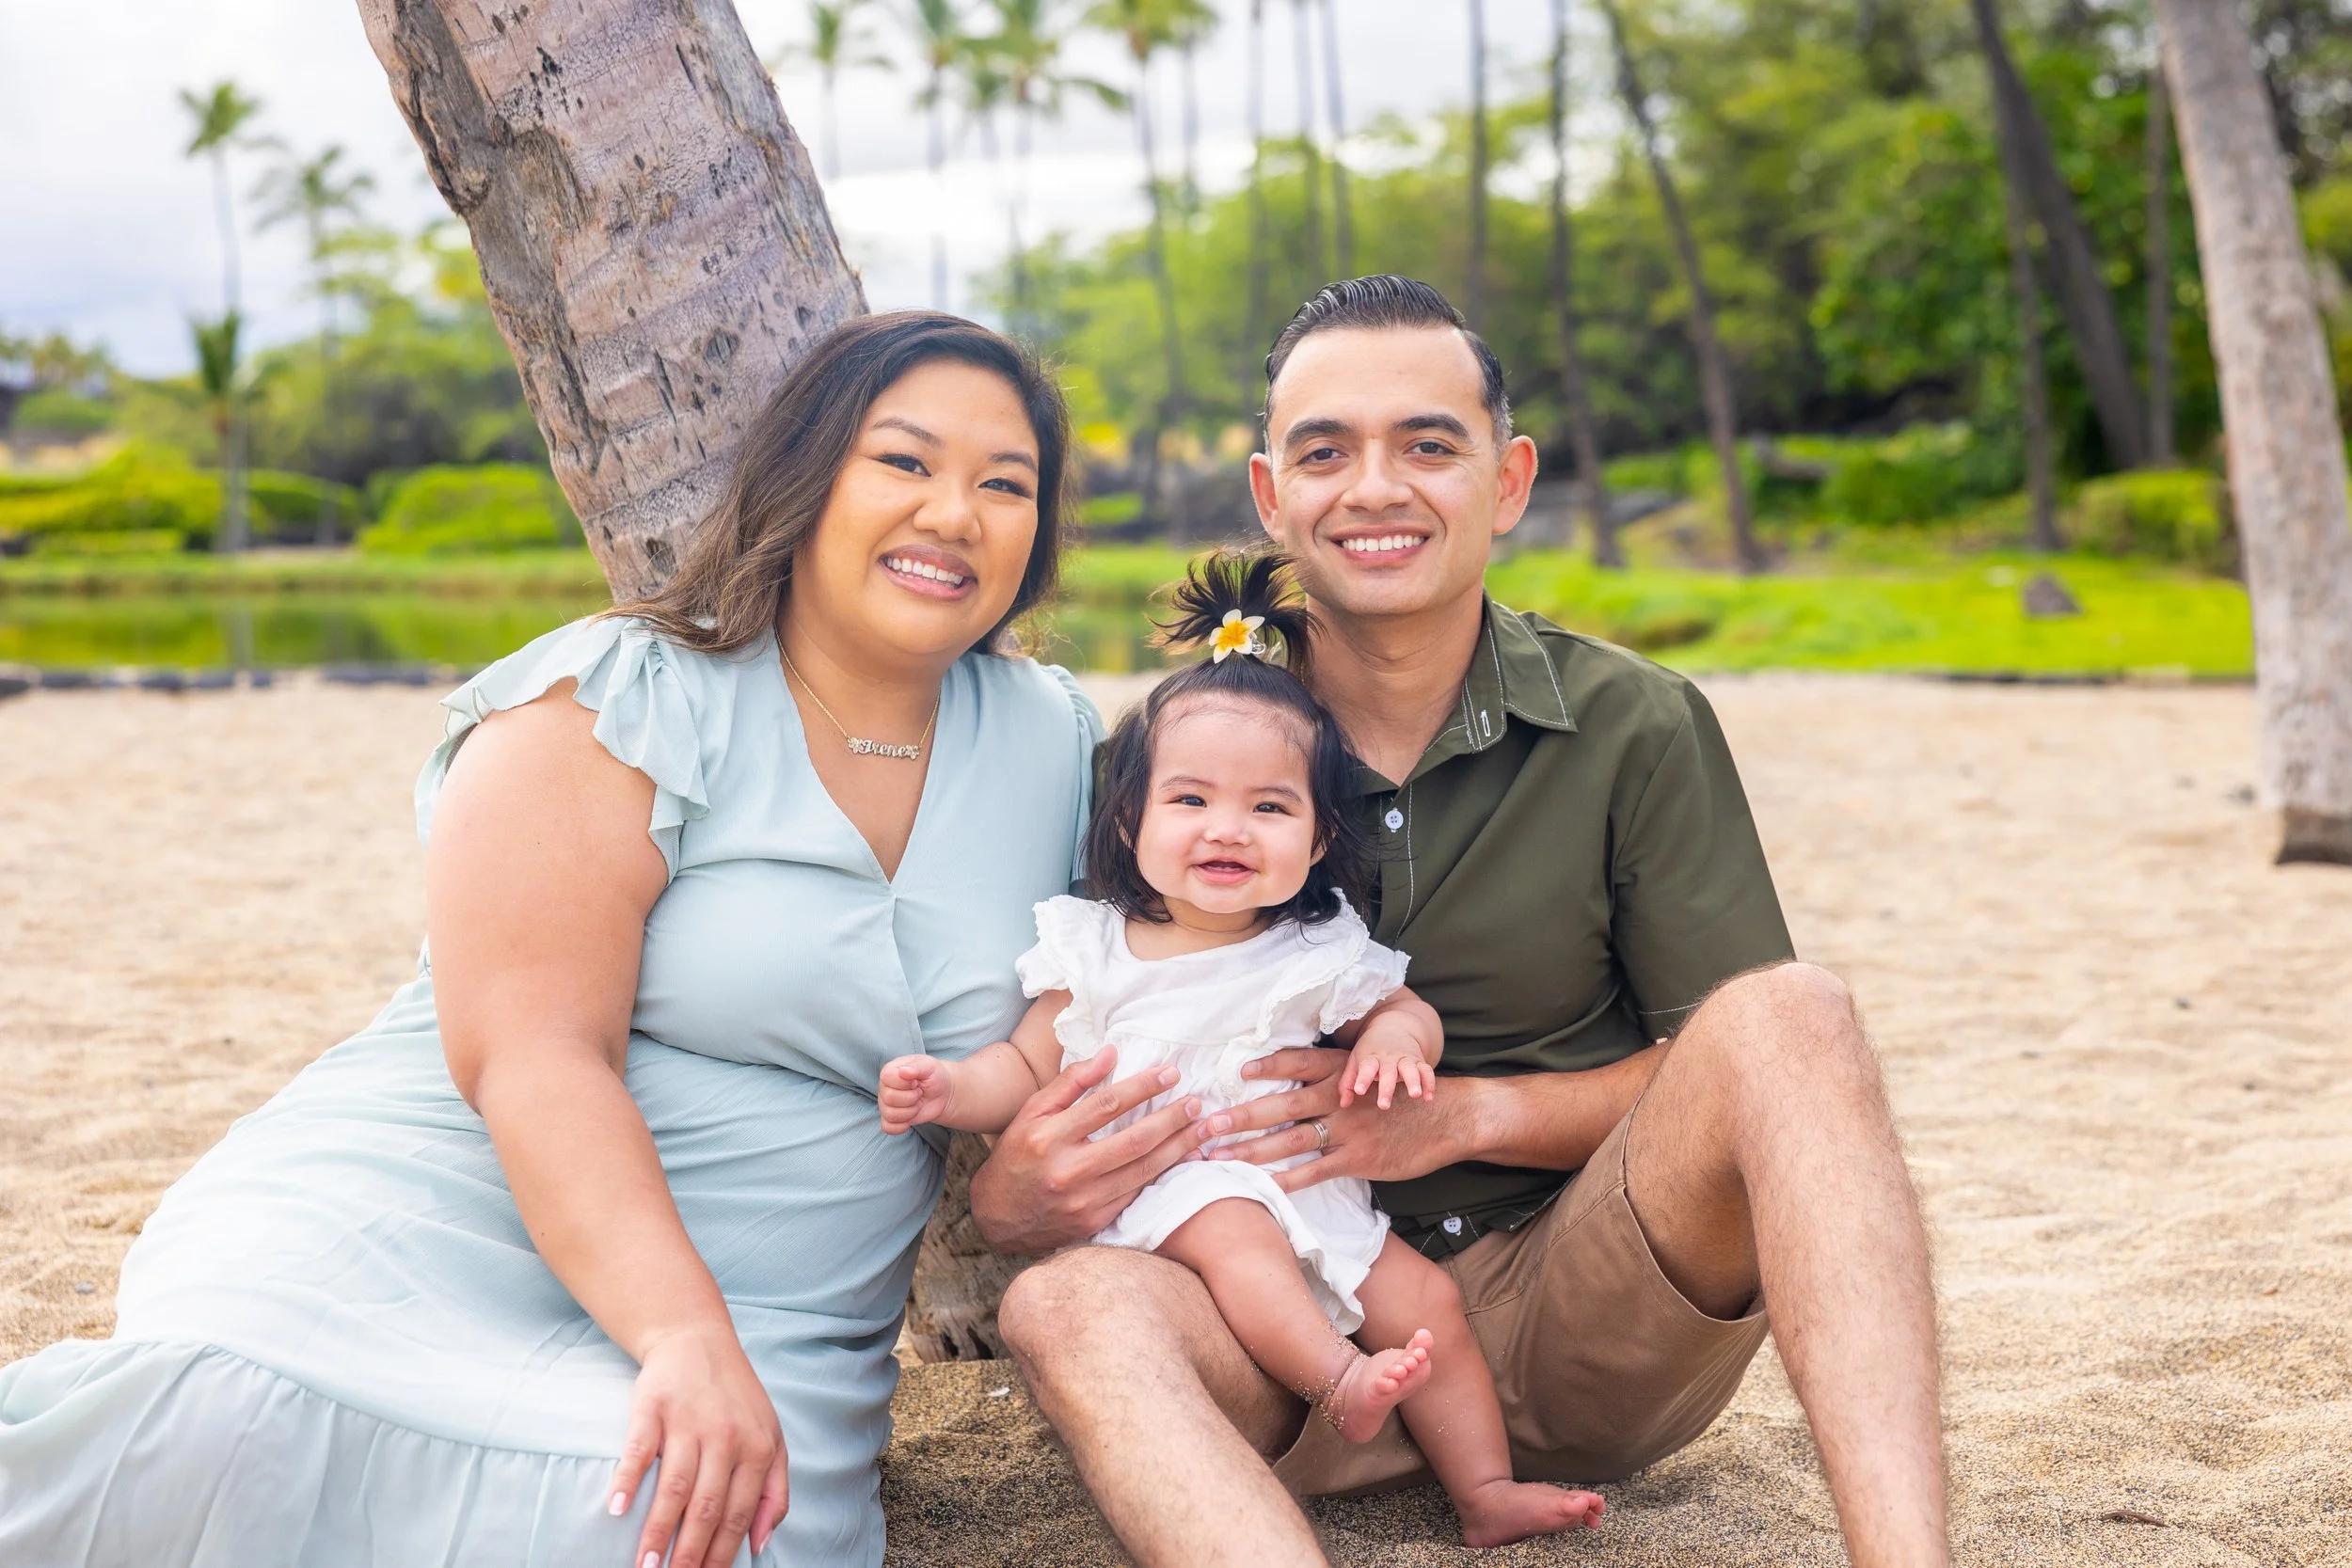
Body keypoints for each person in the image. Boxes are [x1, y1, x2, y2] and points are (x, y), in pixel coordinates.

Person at [0, 312, 1133, 1568]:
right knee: (219, 1434)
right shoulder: (618, 697)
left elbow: (1118, 984)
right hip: (440, 1209)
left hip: (783, 1300)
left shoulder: (1056, 742)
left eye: (1005, 483)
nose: (955, 513)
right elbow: (531, 1053)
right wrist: (679, 1335)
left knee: (638, 1524)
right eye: (904, 462)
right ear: (808, 480)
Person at [967, 277, 1948, 1568]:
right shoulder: (1173, 763)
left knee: (1794, 1009)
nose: (1374, 487)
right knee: (1064, 1301)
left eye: (1428, 444)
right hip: (1275, 1331)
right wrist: (1013, 1193)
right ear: (1272, 496)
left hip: (1581, 1309)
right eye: (1326, 451)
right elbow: (1069, 1039)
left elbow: (1735, 1075)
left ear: (1507, 477)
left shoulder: (1637, 726)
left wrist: (1471, 1114)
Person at [878, 550, 1607, 1548]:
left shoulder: (1311, 947)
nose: (1229, 827)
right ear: (1128, 817)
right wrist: (949, 1085)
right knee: (1229, 1223)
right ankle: (1336, 1379)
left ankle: (1484, 1489)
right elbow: (1023, 1066)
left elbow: (1401, 1006)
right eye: (1190, 800)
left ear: (1314, 843)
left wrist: (1396, 1044)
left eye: (1269, 806)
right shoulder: (1093, 948)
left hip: (1314, 1197)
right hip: (1178, 1201)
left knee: (1427, 1298)